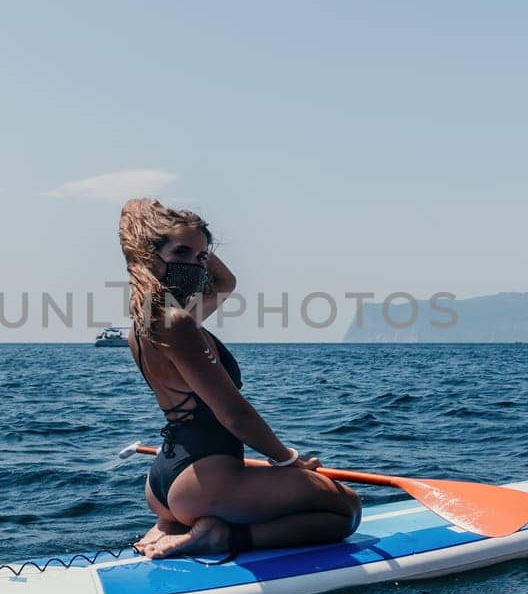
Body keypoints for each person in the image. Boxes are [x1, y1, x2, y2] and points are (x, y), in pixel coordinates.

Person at [118, 198, 361, 559]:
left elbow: (224, 281)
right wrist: (287, 460)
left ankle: (175, 524)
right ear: (150, 255)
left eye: (200, 258)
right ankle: (221, 537)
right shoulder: (179, 323)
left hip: (164, 482)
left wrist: (194, 241)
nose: (194, 265)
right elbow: (234, 414)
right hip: (203, 481)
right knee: (346, 509)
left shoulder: (145, 325)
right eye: (181, 253)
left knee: (324, 499)